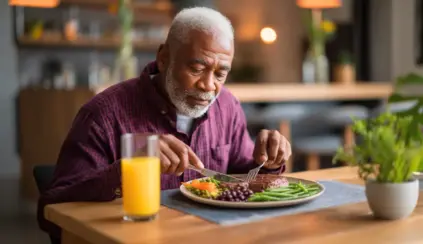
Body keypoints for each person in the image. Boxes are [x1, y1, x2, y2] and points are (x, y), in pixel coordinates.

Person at [37, 7, 292, 240]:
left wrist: (267, 163)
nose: (208, 85)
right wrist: (128, 168)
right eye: (196, 68)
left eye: (220, 74)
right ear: (163, 58)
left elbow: (241, 179)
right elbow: (51, 209)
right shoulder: (102, 115)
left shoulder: (227, 107)